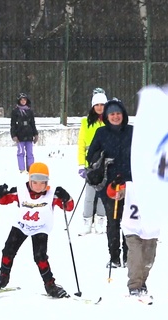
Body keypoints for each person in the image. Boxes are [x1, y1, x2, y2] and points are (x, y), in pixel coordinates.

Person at [0, 162, 73, 298]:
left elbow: (69, 207)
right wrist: (0, 194)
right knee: (8, 251)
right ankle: (3, 277)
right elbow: (4, 200)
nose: (39, 186)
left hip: (41, 228)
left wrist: (66, 197)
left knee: (40, 257)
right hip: (21, 225)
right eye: (35, 183)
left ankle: (50, 285)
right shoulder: (20, 191)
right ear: (30, 181)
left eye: (42, 183)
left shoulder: (53, 194)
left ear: (47, 182)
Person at [86, 98, 132, 268]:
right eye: (112, 114)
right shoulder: (101, 133)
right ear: (107, 116)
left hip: (129, 183)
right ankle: (114, 257)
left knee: (128, 221)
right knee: (113, 221)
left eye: (118, 113)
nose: (115, 117)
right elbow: (90, 156)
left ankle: (129, 256)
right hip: (108, 183)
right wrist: (102, 157)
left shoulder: (132, 132)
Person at [106, 177, 158, 297]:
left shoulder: (157, 185)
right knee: (136, 255)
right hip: (132, 226)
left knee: (148, 258)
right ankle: (134, 285)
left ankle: (142, 281)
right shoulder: (131, 185)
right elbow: (113, 194)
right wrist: (115, 185)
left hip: (151, 228)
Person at [77, 88, 107, 235]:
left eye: (102, 104)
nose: (99, 107)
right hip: (91, 162)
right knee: (89, 195)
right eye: (97, 105)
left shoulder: (110, 121)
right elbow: (81, 144)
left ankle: (100, 220)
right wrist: (81, 164)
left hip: (106, 163)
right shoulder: (85, 122)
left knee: (103, 194)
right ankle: (87, 220)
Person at [10, 93, 38, 174]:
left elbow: (33, 123)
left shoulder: (30, 111)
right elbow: (13, 124)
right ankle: (22, 169)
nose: (23, 101)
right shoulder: (15, 111)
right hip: (20, 135)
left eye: (24, 100)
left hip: (29, 135)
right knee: (21, 152)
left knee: (30, 153)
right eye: (21, 100)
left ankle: (31, 168)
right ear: (19, 101)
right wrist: (14, 135)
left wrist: (35, 134)